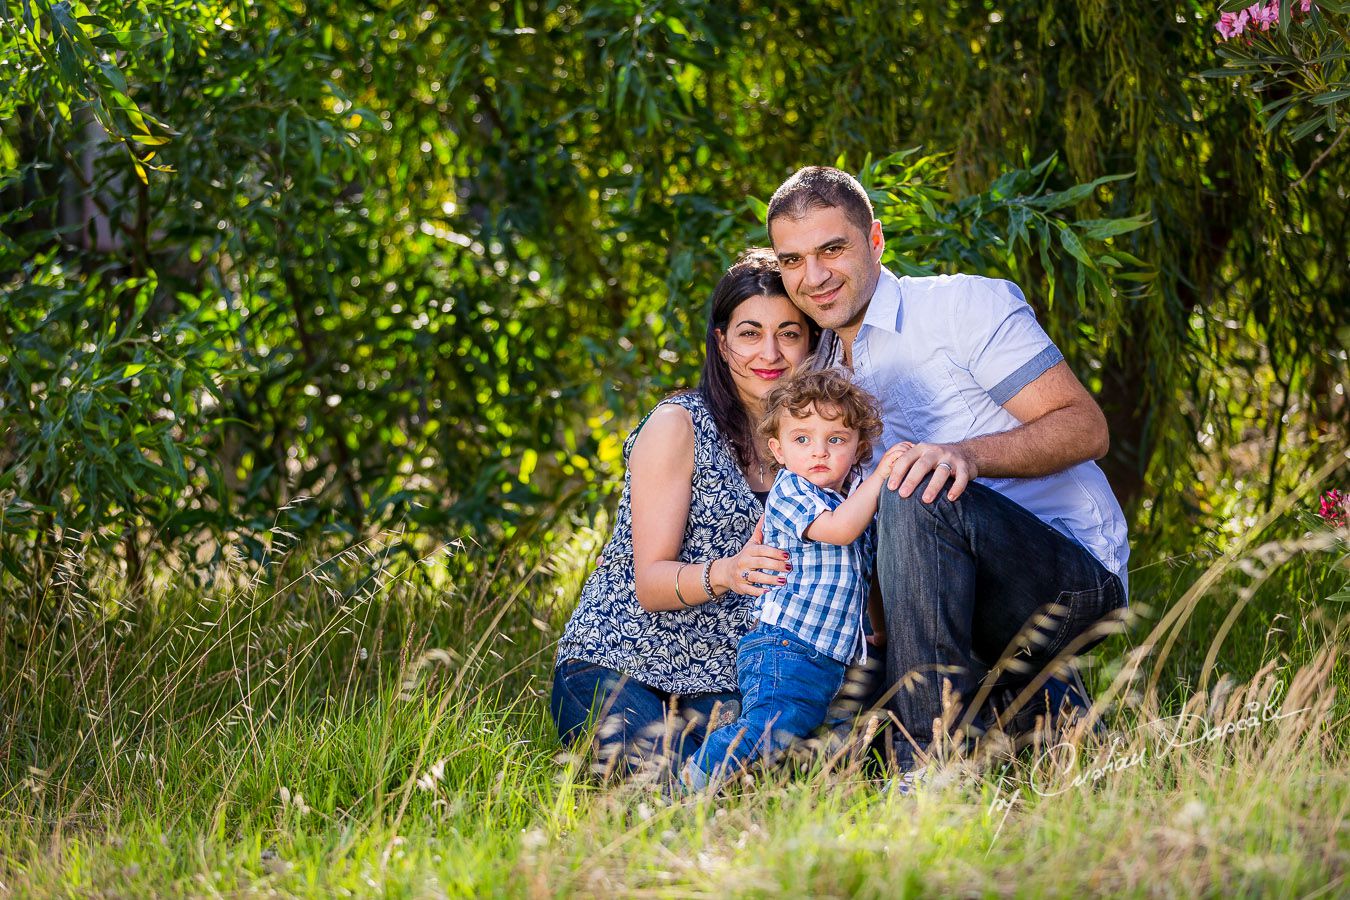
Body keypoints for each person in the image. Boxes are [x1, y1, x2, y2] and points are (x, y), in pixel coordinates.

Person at [765, 166, 1130, 770]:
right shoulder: (819, 375)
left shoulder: (962, 305)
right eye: (793, 260)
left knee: (915, 485)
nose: (815, 277)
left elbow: (1086, 427)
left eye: (833, 249)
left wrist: (966, 454)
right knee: (836, 747)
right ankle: (1036, 712)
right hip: (933, 600)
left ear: (876, 240)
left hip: (1066, 580)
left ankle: (926, 772)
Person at [551, 248, 817, 777]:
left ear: (811, 340)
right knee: (658, 789)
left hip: (727, 680)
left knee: (760, 782)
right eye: (749, 333)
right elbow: (650, 584)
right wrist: (729, 571)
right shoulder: (679, 425)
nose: (770, 351)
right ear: (721, 342)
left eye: (789, 332)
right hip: (620, 665)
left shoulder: (818, 444)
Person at [681, 368, 911, 790]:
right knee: (772, 727)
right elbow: (840, 531)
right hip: (787, 646)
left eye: (835, 440)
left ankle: (804, 798)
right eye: (802, 439)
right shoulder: (792, 492)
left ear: (860, 447)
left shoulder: (849, 501)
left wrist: (878, 629)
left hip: (830, 653)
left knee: (817, 736)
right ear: (779, 449)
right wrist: (880, 479)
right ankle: (691, 783)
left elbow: (867, 572)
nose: (818, 452)